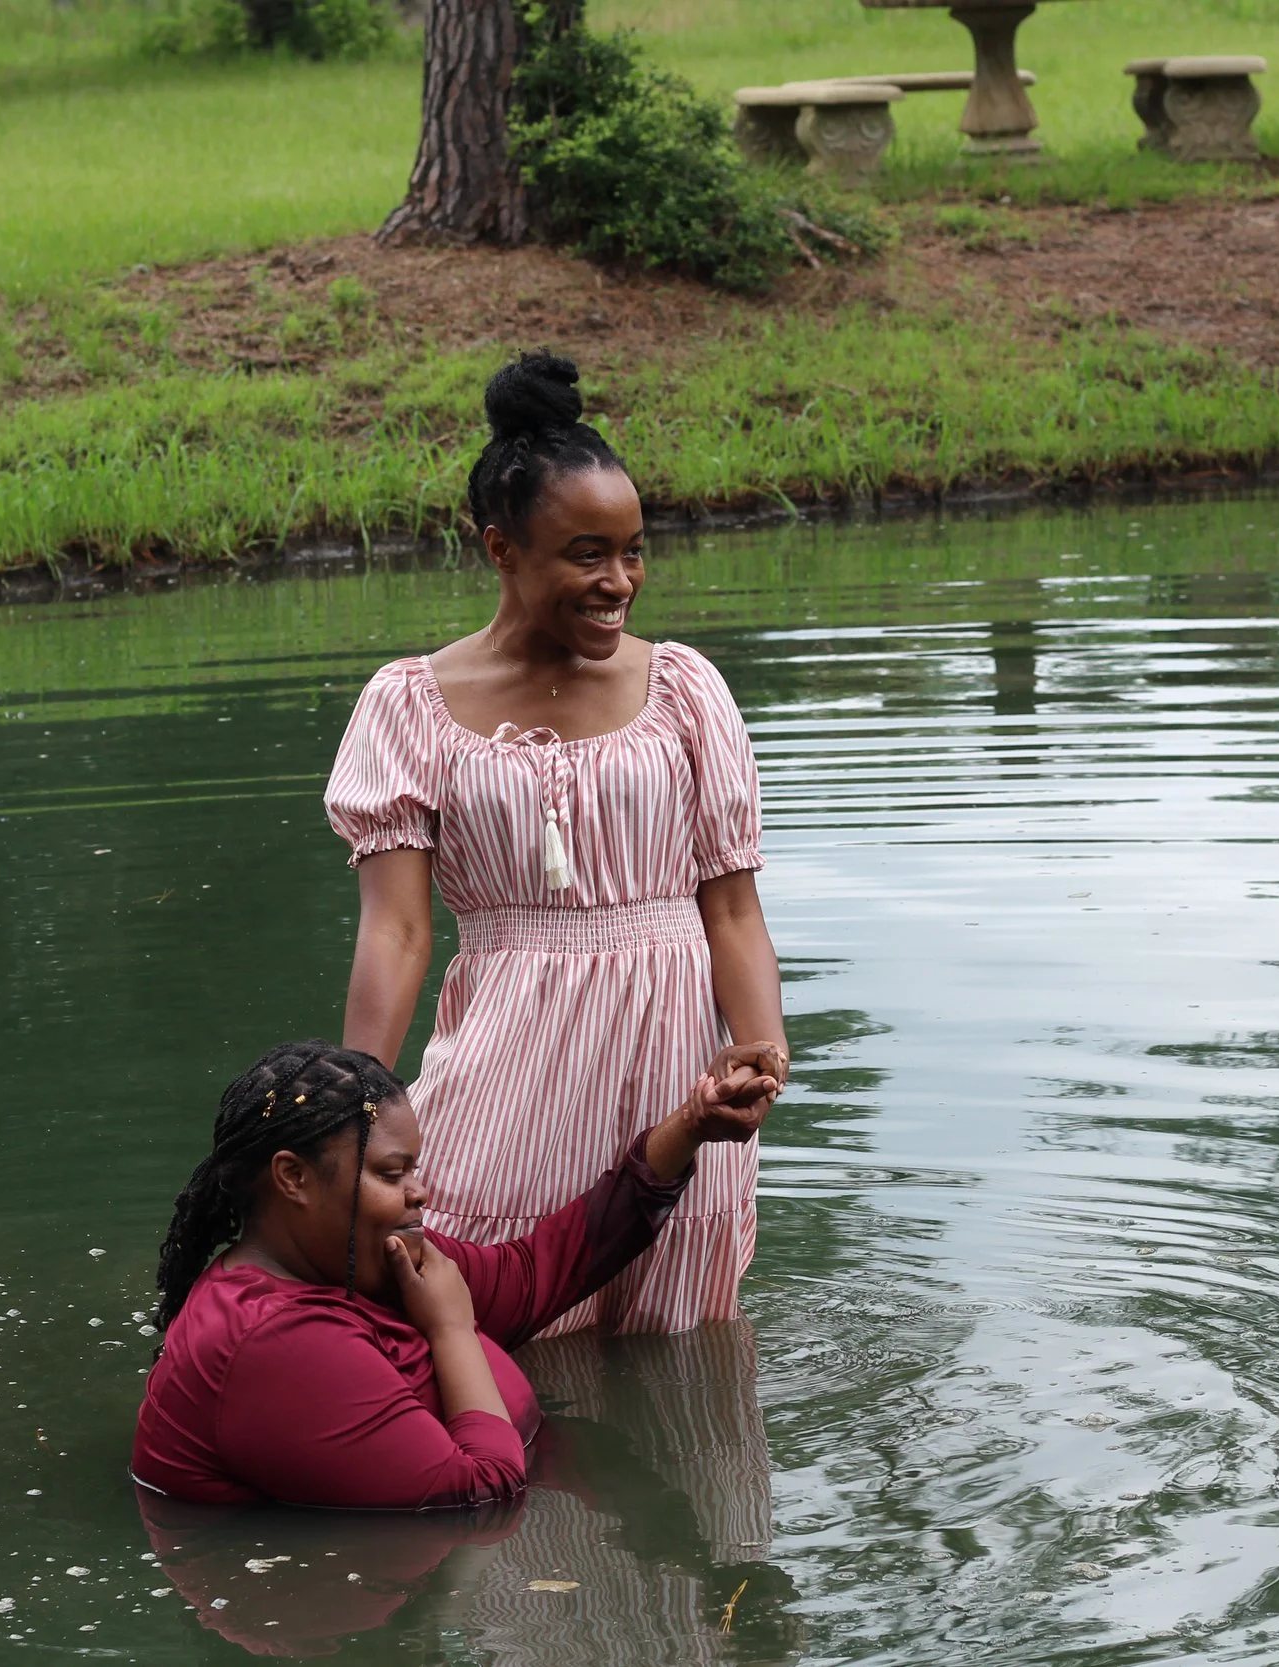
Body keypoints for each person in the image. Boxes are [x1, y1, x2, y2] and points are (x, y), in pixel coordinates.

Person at [328, 350, 787, 1335]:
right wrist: (349, 1114)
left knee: (682, 1336)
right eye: (586, 553)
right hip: (507, 1060)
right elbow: (398, 932)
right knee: (492, 1318)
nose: (618, 581)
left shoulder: (685, 691)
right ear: (500, 549)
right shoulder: (408, 705)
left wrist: (760, 1052)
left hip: (676, 1067)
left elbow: (732, 904)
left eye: (633, 549)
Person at [131, 1038, 782, 1511]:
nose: (420, 1192)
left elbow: (535, 1273)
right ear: (293, 1177)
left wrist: (691, 1125)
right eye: (391, 1173)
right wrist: (452, 1327)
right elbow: (482, 1493)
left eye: (413, 1169)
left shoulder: (362, 1257)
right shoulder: (272, 1339)